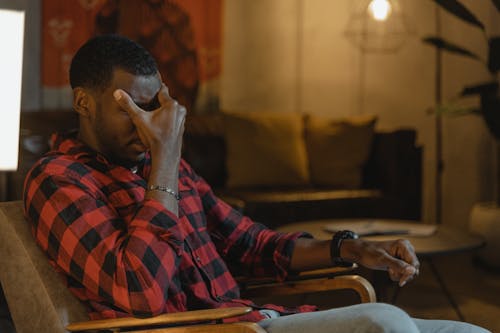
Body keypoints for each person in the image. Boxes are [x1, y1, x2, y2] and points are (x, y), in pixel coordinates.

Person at [23, 34, 489, 333]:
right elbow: (139, 292)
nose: (148, 125)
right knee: (383, 321)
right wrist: (165, 156)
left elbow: (254, 243)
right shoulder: (59, 179)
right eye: (131, 108)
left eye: (154, 108)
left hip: (253, 321)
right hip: (206, 332)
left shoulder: (168, 170)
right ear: (84, 103)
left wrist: (351, 248)